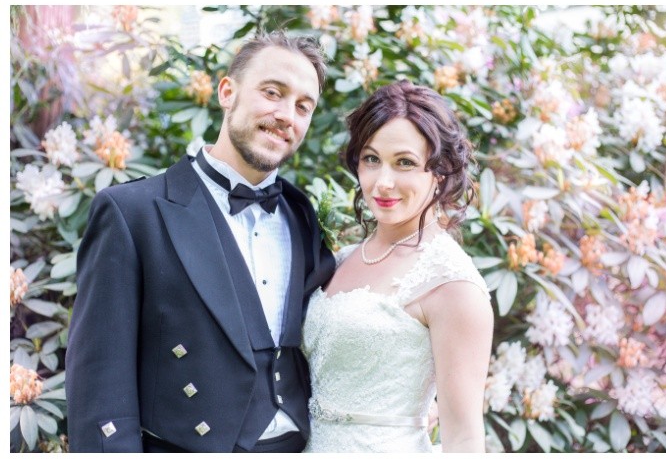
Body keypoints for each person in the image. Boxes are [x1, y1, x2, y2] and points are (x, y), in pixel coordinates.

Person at [65, 31, 336, 452]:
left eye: (303, 106)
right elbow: (99, 382)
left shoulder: (301, 216)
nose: (287, 115)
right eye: (272, 92)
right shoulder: (132, 212)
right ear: (227, 92)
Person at [301, 80, 494, 452]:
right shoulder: (344, 257)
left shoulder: (453, 286)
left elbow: (464, 438)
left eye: (404, 162)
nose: (382, 182)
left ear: (440, 171)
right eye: (371, 159)